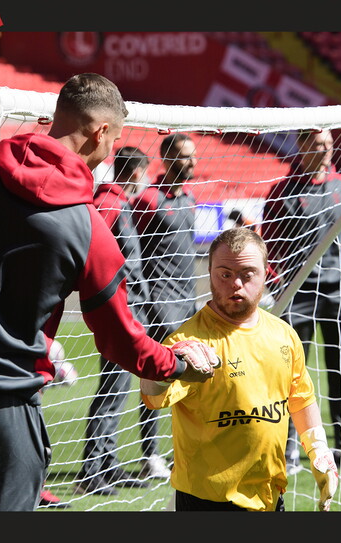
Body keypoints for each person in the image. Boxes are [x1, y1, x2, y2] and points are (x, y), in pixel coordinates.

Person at [0, 73, 219, 512]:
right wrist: (177, 364)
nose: (110, 152)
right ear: (100, 131)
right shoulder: (88, 227)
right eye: (115, 139)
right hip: (8, 412)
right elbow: (117, 338)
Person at [140, 227, 340, 512]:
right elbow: (152, 396)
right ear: (209, 273)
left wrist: (319, 450)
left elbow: (300, 398)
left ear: (265, 274)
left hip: (270, 496)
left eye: (247, 274)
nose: (236, 284)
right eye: (225, 274)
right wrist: (168, 364)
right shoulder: (188, 343)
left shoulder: (284, 335)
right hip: (206, 503)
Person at [261, 128, 341, 472]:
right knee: (294, 375)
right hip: (299, 295)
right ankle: (292, 449)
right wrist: (277, 283)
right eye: (318, 144)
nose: (325, 150)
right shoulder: (282, 190)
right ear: (302, 146)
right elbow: (269, 244)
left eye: (328, 144)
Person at [77, 146, 163, 495]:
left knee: (119, 390)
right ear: (137, 172)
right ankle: (91, 471)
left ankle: (108, 465)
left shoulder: (116, 202)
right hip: (119, 310)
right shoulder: (110, 204)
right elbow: (93, 250)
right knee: (111, 391)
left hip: (129, 308)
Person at [129, 132, 200, 478]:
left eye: (194, 156)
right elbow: (134, 252)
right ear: (168, 160)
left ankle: (182, 450)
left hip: (188, 301)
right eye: (186, 157)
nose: (193, 163)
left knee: (191, 380)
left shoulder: (189, 197)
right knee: (157, 379)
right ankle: (150, 454)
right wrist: (148, 301)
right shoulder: (148, 200)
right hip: (160, 303)